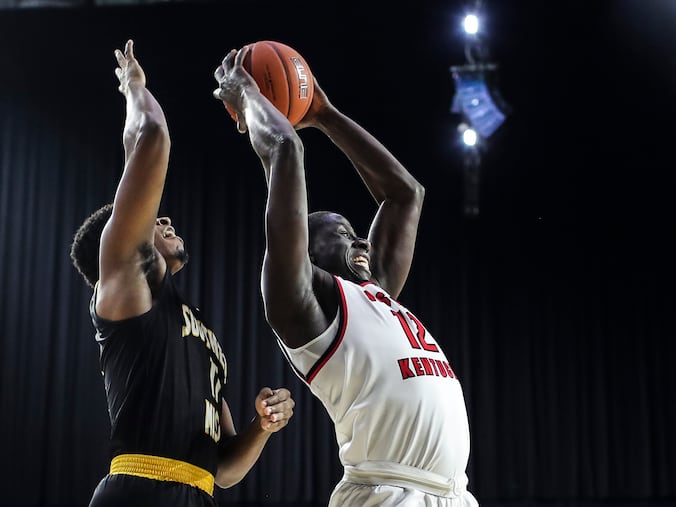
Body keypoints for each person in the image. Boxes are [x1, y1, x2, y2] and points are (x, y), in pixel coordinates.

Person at [213, 46, 479, 506]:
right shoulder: (303, 306)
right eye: (343, 234)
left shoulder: (378, 295)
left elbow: (405, 194)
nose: (361, 243)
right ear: (306, 252)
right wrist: (247, 94)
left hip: (452, 494)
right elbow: (284, 148)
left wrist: (325, 114)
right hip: (387, 493)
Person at [69, 40, 295, 506]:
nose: (164, 218)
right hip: (139, 489)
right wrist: (134, 88)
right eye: (152, 219)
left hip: (198, 494)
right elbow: (150, 138)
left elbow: (226, 470)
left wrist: (261, 426)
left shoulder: (195, 327)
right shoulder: (126, 286)